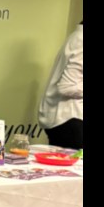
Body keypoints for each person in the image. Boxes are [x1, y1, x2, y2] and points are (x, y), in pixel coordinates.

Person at [38, 22, 83, 150]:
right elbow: (66, 87)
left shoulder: (76, 37)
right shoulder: (81, 41)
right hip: (69, 119)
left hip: (65, 118)